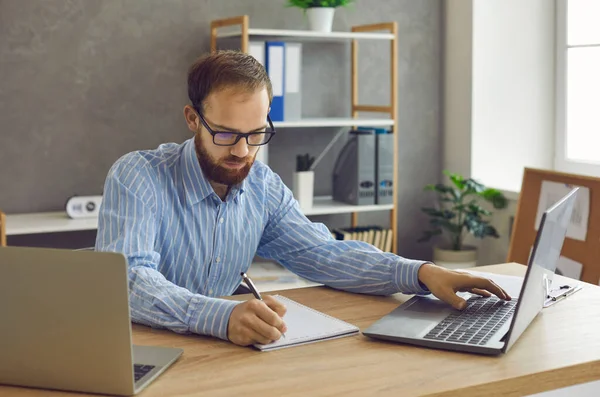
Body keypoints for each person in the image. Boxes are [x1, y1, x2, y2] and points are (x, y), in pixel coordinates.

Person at [95, 50, 510, 347]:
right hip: (140, 353)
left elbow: (324, 253)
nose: (242, 151)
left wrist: (420, 273)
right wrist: (220, 316)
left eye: (256, 134)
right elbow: (127, 282)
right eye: (225, 133)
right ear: (192, 119)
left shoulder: (262, 185)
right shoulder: (138, 176)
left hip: (223, 353)